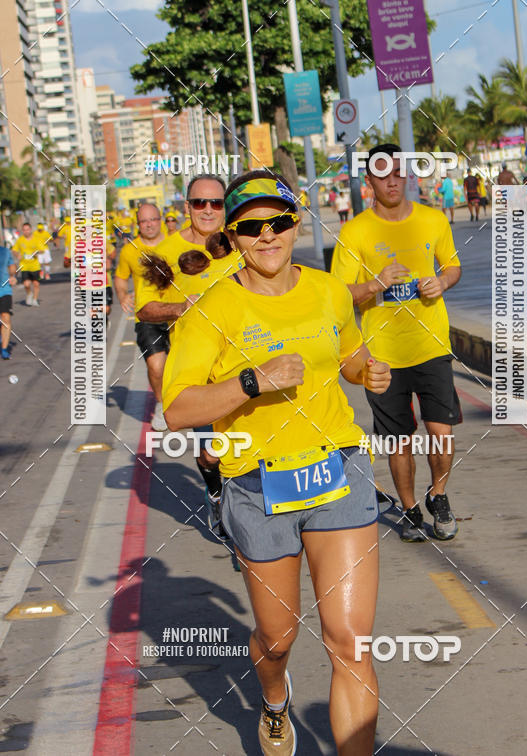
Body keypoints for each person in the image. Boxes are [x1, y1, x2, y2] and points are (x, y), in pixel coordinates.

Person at [163, 169, 390, 756]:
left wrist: (368, 371)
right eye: (250, 227)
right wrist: (251, 380)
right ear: (232, 236)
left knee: (350, 641)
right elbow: (178, 409)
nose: (268, 236)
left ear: (296, 223)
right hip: (256, 485)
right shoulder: (210, 311)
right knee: (278, 636)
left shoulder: (328, 289)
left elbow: (348, 354)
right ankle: (272, 698)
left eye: (280, 222)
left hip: (337, 468)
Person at [331, 144, 462, 543]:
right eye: (382, 174)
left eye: (398, 173)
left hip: (431, 346)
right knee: (399, 439)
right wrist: (376, 284)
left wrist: (442, 281)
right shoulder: (356, 231)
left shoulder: (433, 219)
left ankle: (438, 496)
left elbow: (453, 265)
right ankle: (408, 511)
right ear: (368, 182)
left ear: (407, 175)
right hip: (382, 355)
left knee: (441, 431)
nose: (392, 180)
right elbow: (337, 294)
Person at [136, 174, 243, 525]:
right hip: (198, 374)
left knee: (250, 451)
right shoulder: (164, 253)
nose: (209, 210)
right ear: (187, 207)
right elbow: (145, 307)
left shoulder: (241, 245)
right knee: (213, 453)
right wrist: (180, 307)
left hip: (246, 362)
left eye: (216, 203)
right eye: (200, 203)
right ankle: (215, 493)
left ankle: (250, 525)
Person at [114, 203, 167, 430]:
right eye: (144, 221)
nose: (149, 225)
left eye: (153, 219)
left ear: (160, 219)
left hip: (180, 314)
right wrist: (123, 294)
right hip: (147, 317)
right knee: (156, 366)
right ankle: (162, 405)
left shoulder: (175, 243)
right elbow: (119, 276)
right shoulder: (129, 250)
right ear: (138, 224)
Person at [12, 223, 42, 306]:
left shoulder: (36, 239)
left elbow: (42, 250)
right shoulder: (20, 240)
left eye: (27, 229)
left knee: (36, 284)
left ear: (31, 229)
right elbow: (14, 250)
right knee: (26, 284)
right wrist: (17, 254)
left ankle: (35, 300)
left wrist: (37, 252)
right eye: (24, 230)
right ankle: (29, 294)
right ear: (22, 231)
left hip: (35, 265)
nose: (26, 231)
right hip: (24, 265)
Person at [0, 242, 17, 359]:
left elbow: (11, 266)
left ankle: (4, 349)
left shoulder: (5, 251)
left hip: (4, 290)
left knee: (5, 317)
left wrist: (12, 276)